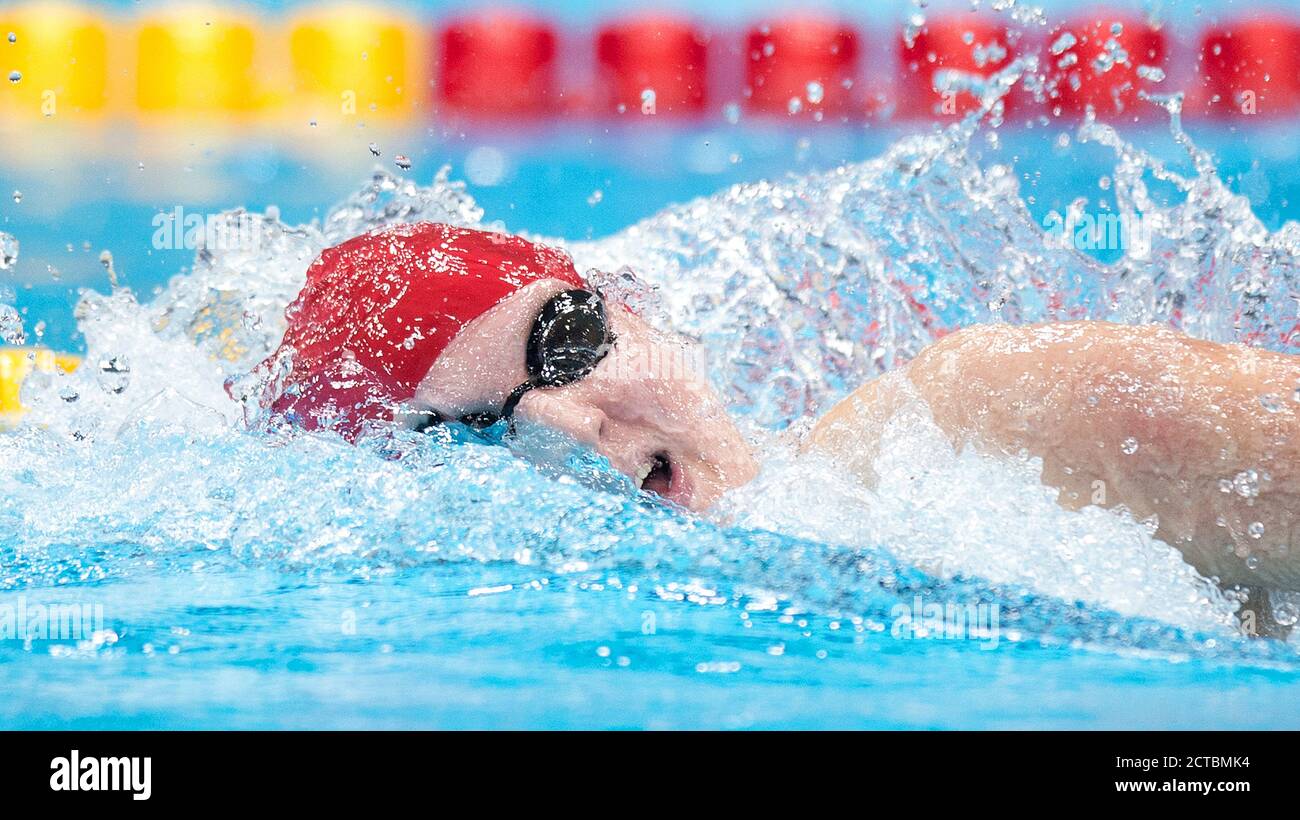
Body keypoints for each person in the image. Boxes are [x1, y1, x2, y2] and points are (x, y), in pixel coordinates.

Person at [254, 221, 1299, 599]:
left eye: (563, 343)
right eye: (476, 433)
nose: (567, 425)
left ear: (639, 307)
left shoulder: (986, 415)